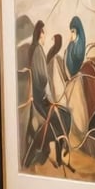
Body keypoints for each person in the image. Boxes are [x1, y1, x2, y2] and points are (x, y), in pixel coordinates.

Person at [24, 21, 72, 168]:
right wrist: (49, 98)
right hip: (41, 99)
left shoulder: (37, 50)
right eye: (44, 33)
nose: (45, 37)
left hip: (41, 97)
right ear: (40, 34)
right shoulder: (38, 50)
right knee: (61, 117)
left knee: (62, 115)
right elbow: (42, 78)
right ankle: (59, 156)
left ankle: (60, 156)